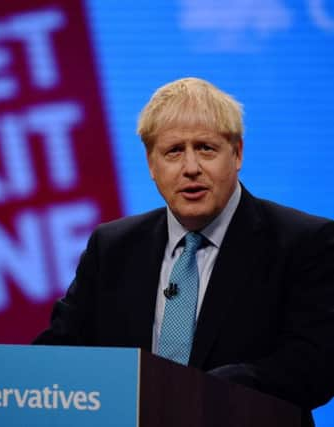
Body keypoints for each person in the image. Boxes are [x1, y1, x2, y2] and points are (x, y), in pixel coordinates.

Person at [33, 77, 334, 426]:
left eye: (206, 148)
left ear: (237, 153)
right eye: (174, 151)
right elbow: (61, 351)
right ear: (151, 164)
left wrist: (200, 391)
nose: (191, 167)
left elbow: (316, 364)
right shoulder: (112, 247)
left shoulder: (305, 242)